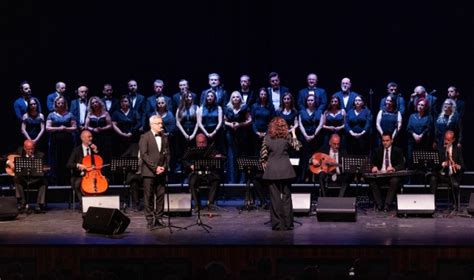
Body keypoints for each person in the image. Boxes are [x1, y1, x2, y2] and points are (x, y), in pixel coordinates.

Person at [260, 117, 302, 231]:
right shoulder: (287, 137)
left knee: (275, 198)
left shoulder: (267, 138)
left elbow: (263, 154)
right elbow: (297, 147)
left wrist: (264, 162)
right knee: (287, 197)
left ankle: (278, 224)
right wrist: (293, 133)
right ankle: (288, 224)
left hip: (272, 170)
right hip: (285, 170)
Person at [139, 115, 170, 230]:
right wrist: (155, 168)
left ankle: (159, 218)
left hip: (161, 171)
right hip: (149, 172)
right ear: (151, 125)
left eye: (161, 123)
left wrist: (164, 167)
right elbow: (144, 155)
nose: (161, 125)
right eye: (158, 123)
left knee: (160, 196)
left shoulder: (165, 137)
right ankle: (150, 220)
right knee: (149, 196)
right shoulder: (145, 137)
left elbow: (168, 154)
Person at [367, 132, 405, 212]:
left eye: (387, 140)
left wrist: (394, 168)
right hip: (381, 175)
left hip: (392, 175)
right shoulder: (378, 150)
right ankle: (379, 204)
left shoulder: (397, 151)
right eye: (383, 141)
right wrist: (373, 167)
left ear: (392, 140)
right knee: (372, 181)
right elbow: (370, 162)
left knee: (395, 181)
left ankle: (387, 205)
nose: (385, 143)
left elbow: (402, 165)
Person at [185, 133, 223, 212]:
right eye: (199, 142)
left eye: (203, 142)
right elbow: (185, 160)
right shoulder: (192, 150)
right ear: (196, 142)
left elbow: (220, 158)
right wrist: (191, 165)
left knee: (216, 179)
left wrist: (218, 157)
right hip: (197, 173)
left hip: (208, 173)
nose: (201, 144)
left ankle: (210, 203)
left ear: (206, 141)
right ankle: (197, 204)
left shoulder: (211, 149)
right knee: (192, 182)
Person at [7, 140, 47, 212]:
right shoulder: (19, 151)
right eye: (29, 149)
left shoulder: (41, 155)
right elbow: (6, 157)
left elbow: (45, 167)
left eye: (32, 149)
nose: (31, 151)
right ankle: (22, 204)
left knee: (44, 182)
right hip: (23, 180)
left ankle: (39, 205)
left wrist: (44, 169)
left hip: (35, 181)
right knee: (16, 179)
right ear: (24, 148)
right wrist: (10, 162)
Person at [429, 130, 464, 210]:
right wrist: (443, 164)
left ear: (453, 140)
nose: (446, 141)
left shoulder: (457, 150)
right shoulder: (439, 149)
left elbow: (463, 165)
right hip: (440, 175)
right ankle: (432, 204)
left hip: (451, 175)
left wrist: (459, 166)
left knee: (455, 184)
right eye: (445, 139)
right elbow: (433, 165)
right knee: (432, 179)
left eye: (448, 140)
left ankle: (455, 204)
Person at [46, 96, 77, 185]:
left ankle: (67, 180)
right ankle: (56, 180)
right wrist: (59, 128)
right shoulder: (51, 115)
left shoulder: (70, 114)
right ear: (55, 104)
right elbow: (47, 128)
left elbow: (74, 127)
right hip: (55, 141)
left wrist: (65, 128)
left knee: (66, 159)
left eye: (62, 103)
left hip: (68, 141)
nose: (60, 104)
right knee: (56, 160)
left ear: (65, 104)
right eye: (58, 103)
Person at [224, 91, 252, 183]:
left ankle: (242, 180)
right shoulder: (227, 108)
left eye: (237, 97)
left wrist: (240, 124)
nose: (235, 99)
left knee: (242, 156)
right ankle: (232, 180)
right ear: (231, 99)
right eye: (233, 97)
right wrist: (231, 124)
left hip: (242, 134)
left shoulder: (244, 108)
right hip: (231, 134)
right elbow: (224, 121)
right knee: (232, 156)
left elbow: (250, 120)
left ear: (240, 98)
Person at [66, 129, 99, 208]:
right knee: (77, 184)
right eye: (89, 137)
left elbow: (100, 162)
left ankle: (97, 202)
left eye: (91, 136)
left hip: (93, 174)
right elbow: (69, 164)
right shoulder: (76, 150)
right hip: (79, 175)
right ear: (83, 138)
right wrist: (78, 165)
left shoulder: (93, 149)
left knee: (104, 182)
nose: (91, 138)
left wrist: (96, 151)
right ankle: (84, 203)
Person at [406, 98, 432, 168]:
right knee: (411, 162)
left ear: (425, 107)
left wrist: (421, 135)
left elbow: (428, 128)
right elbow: (408, 128)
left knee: (420, 163)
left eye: (422, 105)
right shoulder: (412, 116)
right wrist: (414, 135)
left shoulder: (428, 117)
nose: (420, 106)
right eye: (419, 104)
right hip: (412, 143)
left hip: (422, 143)